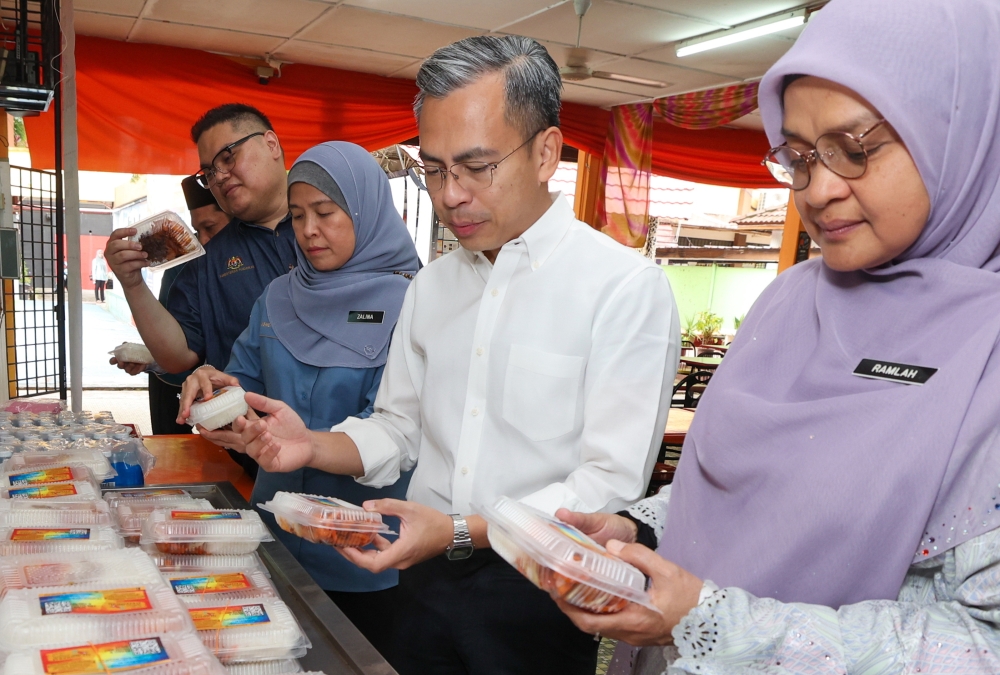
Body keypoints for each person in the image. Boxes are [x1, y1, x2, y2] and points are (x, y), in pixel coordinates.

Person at [546, 1, 1000, 673]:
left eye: (853, 150)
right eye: (798, 156)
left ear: (961, 132)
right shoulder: (790, 300)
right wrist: (641, 527)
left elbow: (982, 642)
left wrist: (716, 622)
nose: (816, 190)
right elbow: (746, 490)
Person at [236, 35, 680, 675]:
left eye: (476, 166)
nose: (450, 195)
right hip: (422, 577)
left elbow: (607, 483)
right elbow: (398, 427)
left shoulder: (622, 288)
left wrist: (465, 529)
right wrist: (312, 446)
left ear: (547, 152)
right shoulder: (434, 286)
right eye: (436, 169)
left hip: (540, 594)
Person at [177, 141, 420, 657]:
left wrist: (307, 443)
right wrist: (210, 386)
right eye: (298, 215)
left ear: (367, 211)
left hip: (365, 546)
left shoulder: (413, 304)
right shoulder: (279, 296)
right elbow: (240, 384)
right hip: (274, 533)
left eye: (327, 213)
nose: (309, 230)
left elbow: (401, 433)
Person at [105, 103, 296, 476]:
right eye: (209, 171)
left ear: (271, 144)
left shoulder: (328, 226)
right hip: (252, 452)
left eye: (229, 157)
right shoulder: (210, 259)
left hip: (346, 446)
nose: (220, 175)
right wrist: (132, 283)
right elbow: (178, 357)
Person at [147, 175, 232, 435]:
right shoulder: (184, 268)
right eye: (198, 231)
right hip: (173, 380)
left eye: (211, 228)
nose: (202, 241)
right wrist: (152, 359)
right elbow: (171, 331)